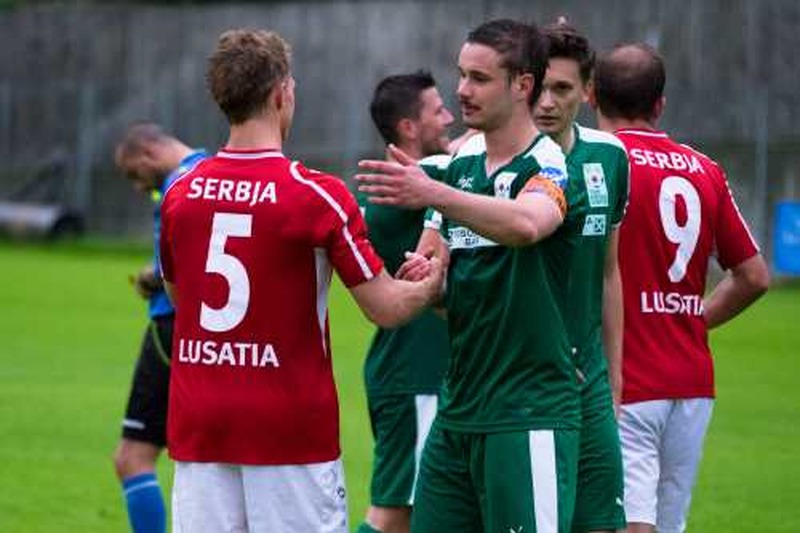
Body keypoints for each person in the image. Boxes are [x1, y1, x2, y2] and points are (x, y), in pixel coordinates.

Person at [158, 29, 444, 533]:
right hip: (288, 430)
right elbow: (386, 308)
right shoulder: (316, 196)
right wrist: (432, 282)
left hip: (200, 424)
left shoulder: (181, 193)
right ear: (280, 94)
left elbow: (181, 297)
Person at [358, 19, 581, 532]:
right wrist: (427, 282)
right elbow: (436, 279)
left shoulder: (548, 163)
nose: (461, 90)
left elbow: (528, 224)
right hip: (458, 410)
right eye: (461, 75)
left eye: (479, 78)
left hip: (527, 413)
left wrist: (432, 192)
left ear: (522, 85)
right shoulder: (459, 169)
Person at [591, 43, 770, 533]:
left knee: (626, 523)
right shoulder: (704, 169)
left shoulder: (597, 163)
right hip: (692, 380)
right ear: (659, 104)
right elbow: (754, 276)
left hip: (622, 377)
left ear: (591, 96)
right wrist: (690, 320)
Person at [532, 21, 629, 533]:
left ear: (587, 92)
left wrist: (614, 377)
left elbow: (609, 274)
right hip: (522, 378)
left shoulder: (610, 158)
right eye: (539, 87)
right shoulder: (484, 163)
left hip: (588, 376)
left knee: (601, 520)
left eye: (562, 88)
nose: (547, 102)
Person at [356, 71, 454, 533]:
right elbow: (463, 165)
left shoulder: (432, 184)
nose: (450, 117)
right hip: (414, 376)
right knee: (395, 513)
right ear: (408, 128)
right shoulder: (400, 193)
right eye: (438, 111)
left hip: (425, 374)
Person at [113, 122, 206, 533]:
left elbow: (190, 263)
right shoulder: (210, 169)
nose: (137, 187)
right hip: (212, 331)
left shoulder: (177, 183)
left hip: (171, 325)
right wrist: (156, 272)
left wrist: (160, 280)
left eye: (135, 175)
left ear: (150, 152)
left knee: (132, 457)